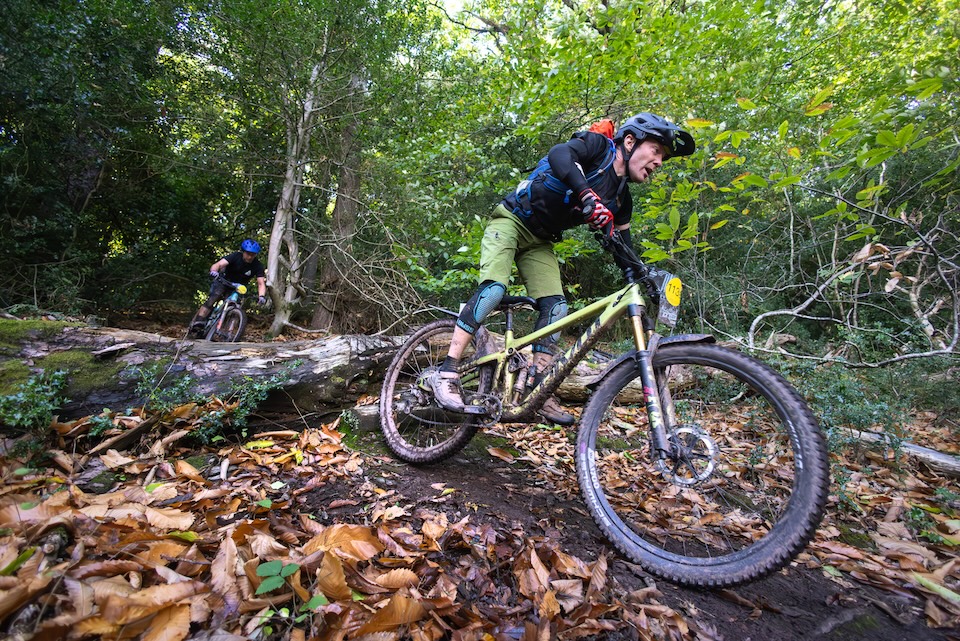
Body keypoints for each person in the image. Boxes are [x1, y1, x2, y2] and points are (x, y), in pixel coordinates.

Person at [426, 112, 696, 424]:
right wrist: (586, 195)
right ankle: (446, 372)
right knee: (493, 290)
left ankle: (538, 388)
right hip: (510, 220)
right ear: (630, 141)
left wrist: (644, 278)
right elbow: (560, 155)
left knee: (556, 307)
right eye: (657, 151)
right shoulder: (598, 148)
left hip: (540, 240)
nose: (659, 162)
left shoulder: (620, 200)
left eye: (663, 157)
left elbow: (624, 249)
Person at [189, 239, 268, 336]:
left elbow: (261, 283)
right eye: (248, 253)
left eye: (253, 254)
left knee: (235, 305)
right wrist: (214, 271)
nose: (250, 256)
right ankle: (198, 321)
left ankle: (229, 332)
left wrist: (261, 296)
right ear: (243, 252)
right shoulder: (235, 256)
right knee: (214, 298)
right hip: (223, 281)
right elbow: (218, 264)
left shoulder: (258, 265)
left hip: (238, 287)